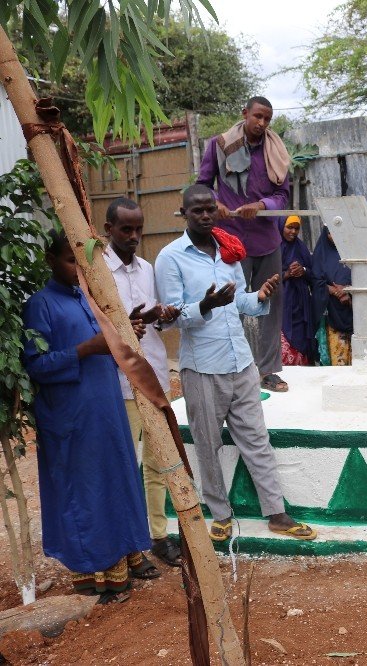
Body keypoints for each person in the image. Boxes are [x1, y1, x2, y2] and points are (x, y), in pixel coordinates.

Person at [155, 185, 315, 542]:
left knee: (257, 439)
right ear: (183, 214)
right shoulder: (171, 257)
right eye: (197, 211)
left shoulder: (229, 251)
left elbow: (240, 301)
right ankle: (221, 513)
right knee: (207, 443)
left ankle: (276, 513)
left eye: (210, 208)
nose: (206, 215)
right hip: (202, 368)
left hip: (241, 361)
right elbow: (168, 317)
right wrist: (205, 306)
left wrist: (259, 297)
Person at [23, 231, 154, 604]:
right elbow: (36, 365)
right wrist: (87, 348)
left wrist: (123, 333)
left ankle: (122, 564)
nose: (76, 269)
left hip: (105, 408)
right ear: (50, 259)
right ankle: (94, 579)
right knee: (86, 491)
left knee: (115, 479)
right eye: (69, 260)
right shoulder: (39, 305)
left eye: (81, 262)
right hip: (72, 417)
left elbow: (104, 347)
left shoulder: (88, 299)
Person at [103, 197, 183, 568]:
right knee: (125, 463)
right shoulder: (97, 270)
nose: (134, 236)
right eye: (126, 229)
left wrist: (161, 315)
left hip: (154, 374)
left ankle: (157, 536)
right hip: (120, 382)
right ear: (109, 230)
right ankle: (128, 545)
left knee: (157, 462)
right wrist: (125, 328)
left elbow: (153, 323)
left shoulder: (148, 268)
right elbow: (100, 326)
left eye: (139, 229)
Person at [196, 95, 291, 392]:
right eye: (257, 117)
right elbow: (202, 185)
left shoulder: (275, 150)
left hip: (267, 239)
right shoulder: (219, 144)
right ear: (245, 114)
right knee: (229, 304)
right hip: (230, 241)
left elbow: (283, 196)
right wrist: (216, 202)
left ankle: (268, 371)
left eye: (267, 119)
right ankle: (231, 370)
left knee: (271, 304)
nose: (262, 123)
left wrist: (262, 205)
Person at [311, 226, 354, 366]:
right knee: (337, 360)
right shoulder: (321, 253)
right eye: (330, 233)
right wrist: (335, 291)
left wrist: (348, 291)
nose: (334, 237)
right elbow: (315, 281)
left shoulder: (353, 251)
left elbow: (364, 276)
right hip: (330, 312)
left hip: (354, 310)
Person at [279, 215, 314, 366]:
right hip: (280, 304)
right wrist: (286, 274)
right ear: (281, 226)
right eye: (289, 227)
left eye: (296, 228)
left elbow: (315, 274)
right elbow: (263, 276)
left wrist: (303, 270)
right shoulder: (273, 248)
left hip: (300, 304)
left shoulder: (301, 247)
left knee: (301, 341)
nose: (293, 231)